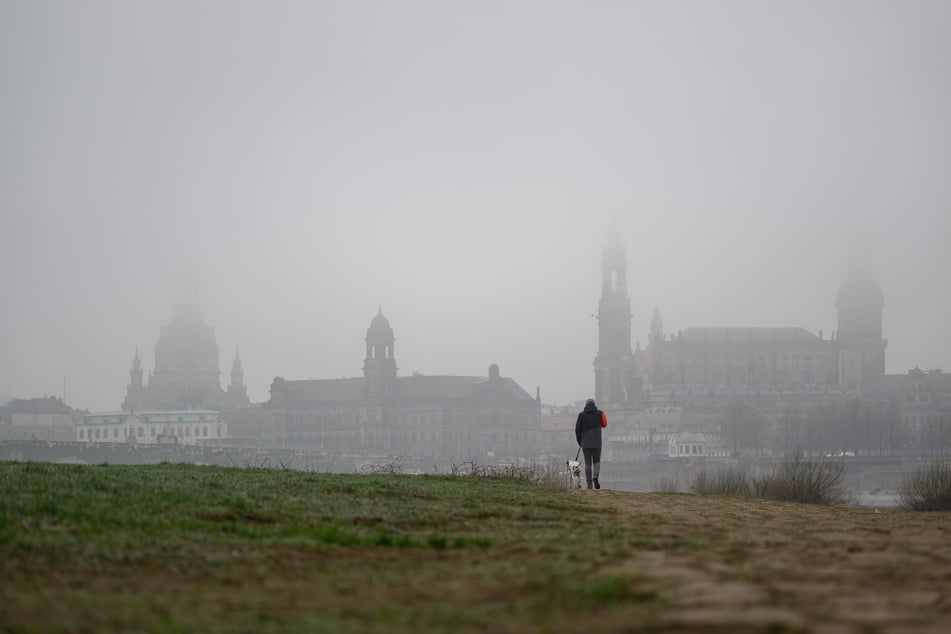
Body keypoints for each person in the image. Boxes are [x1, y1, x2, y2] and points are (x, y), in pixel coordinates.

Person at [575, 398, 607, 489]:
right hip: (597, 442)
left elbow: (577, 430)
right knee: (597, 461)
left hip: (585, 443)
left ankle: (589, 485)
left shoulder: (581, 415)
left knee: (588, 463)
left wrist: (580, 442)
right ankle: (595, 476)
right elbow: (604, 424)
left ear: (586, 405)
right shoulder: (600, 413)